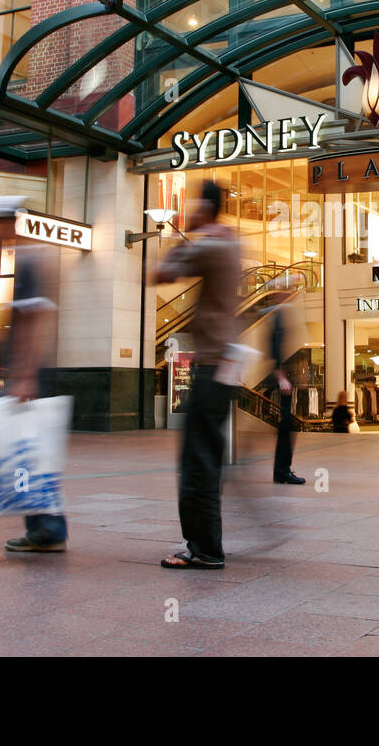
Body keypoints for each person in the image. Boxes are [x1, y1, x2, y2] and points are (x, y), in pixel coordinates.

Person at [153, 179, 241, 571]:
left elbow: (158, 273)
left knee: (197, 461)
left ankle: (205, 549)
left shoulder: (210, 242)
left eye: (193, 204)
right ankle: (207, 543)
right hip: (223, 364)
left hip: (211, 364)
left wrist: (180, 233)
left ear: (205, 207)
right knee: (206, 457)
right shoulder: (229, 240)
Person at [0, 241, 65, 552]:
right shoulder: (29, 260)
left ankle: (46, 531)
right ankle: (46, 529)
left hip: (29, 378)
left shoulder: (27, 263)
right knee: (33, 457)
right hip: (30, 377)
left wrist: (24, 376)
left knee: (29, 457)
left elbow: (34, 319)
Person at [268, 281, 306, 485]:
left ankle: (282, 470)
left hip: (285, 380)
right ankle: (282, 470)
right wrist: (281, 376)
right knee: (285, 426)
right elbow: (273, 349)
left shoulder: (282, 315)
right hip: (282, 381)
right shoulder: (277, 316)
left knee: (287, 426)